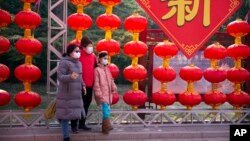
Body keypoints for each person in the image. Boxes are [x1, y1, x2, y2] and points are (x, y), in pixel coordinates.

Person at [56, 44, 86, 141]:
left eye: (79, 51)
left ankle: (74, 128)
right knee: (65, 116)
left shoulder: (79, 63)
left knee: (75, 113)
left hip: (76, 93)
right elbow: (60, 77)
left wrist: (83, 85)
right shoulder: (64, 62)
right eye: (76, 51)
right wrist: (69, 77)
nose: (78, 53)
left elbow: (80, 77)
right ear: (70, 52)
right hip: (66, 94)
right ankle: (66, 137)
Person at [71, 36, 96, 131]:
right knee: (77, 105)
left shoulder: (93, 56)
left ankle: (82, 123)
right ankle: (73, 125)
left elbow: (95, 68)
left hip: (90, 85)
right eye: (89, 46)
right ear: (83, 46)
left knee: (86, 104)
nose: (91, 48)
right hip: (79, 85)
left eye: (91, 46)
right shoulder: (78, 55)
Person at [93, 51, 117, 134]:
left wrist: (113, 86)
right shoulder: (97, 70)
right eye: (104, 58)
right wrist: (98, 93)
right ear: (99, 59)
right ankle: (108, 126)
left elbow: (111, 79)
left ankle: (104, 129)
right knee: (105, 110)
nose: (106, 60)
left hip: (108, 93)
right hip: (102, 94)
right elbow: (96, 83)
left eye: (107, 59)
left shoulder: (107, 69)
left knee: (107, 110)